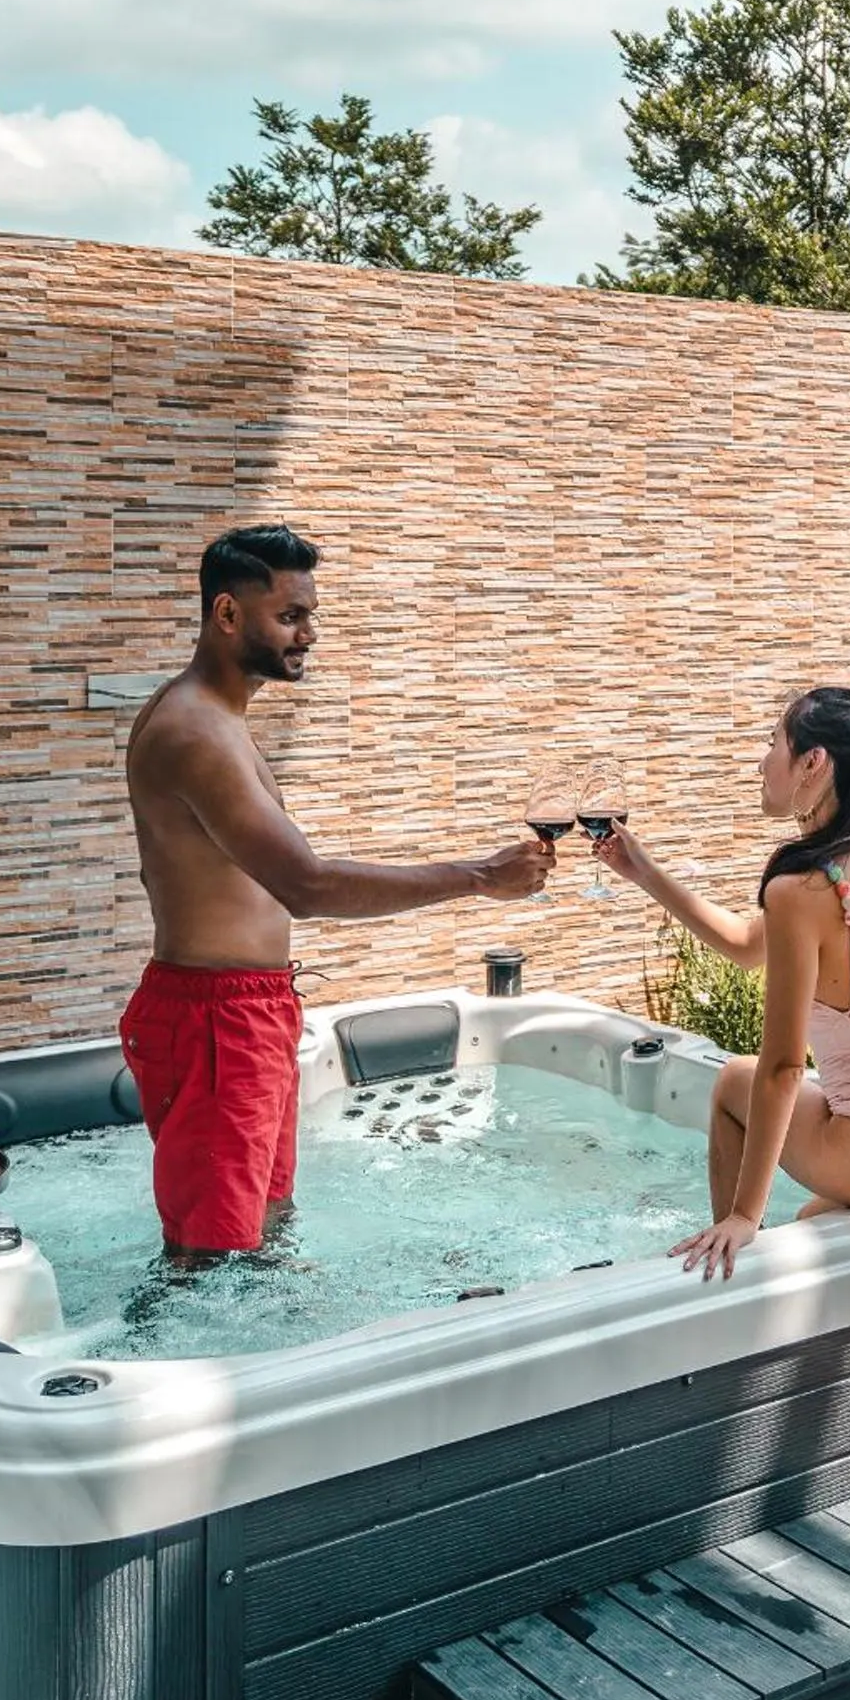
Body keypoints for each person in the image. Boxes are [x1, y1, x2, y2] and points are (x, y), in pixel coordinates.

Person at [120, 523, 552, 1256]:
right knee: (214, 1255)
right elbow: (306, 884)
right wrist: (480, 877)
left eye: (310, 615)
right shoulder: (194, 732)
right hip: (214, 1025)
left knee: (264, 1229)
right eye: (290, 616)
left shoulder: (219, 720)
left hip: (243, 1013)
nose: (309, 635)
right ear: (227, 615)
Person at [600, 686, 850, 1280]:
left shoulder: (798, 891)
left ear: (813, 763)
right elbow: (743, 945)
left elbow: (782, 1069)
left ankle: (732, 1275)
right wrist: (645, 872)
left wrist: (744, 1216)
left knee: (736, 1081)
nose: (762, 764)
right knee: (815, 1214)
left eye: (772, 745)